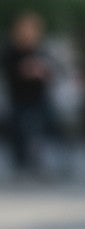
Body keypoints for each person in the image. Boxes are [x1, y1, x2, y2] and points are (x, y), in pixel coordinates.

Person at [2, 11, 55, 174]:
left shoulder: (40, 49)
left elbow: (51, 70)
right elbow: (10, 71)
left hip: (39, 97)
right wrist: (26, 70)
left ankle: (38, 159)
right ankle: (21, 162)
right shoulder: (12, 50)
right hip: (19, 98)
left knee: (42, 126)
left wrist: (41, 71)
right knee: (19, 130)